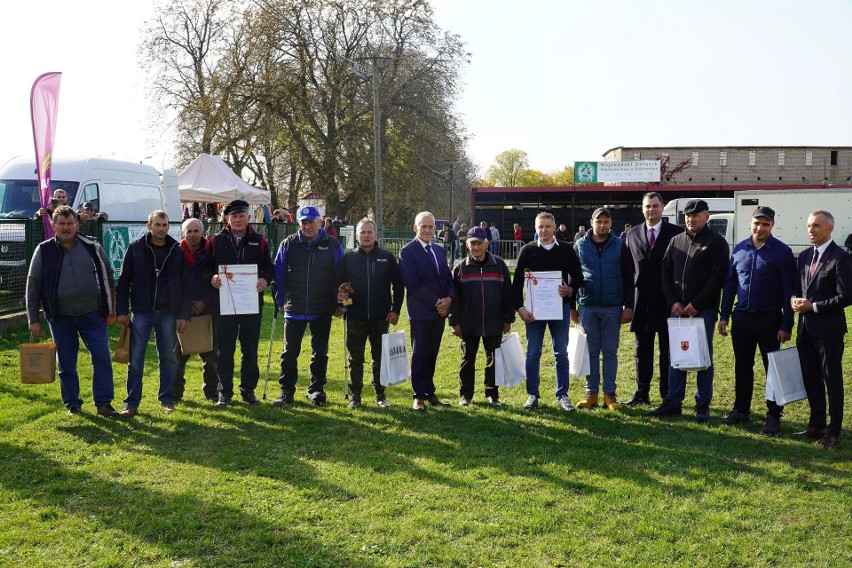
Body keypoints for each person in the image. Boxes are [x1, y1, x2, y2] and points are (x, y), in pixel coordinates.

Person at [25, 206, 119, 417]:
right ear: (53, 225)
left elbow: (110, 276)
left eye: (70, 224)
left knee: (102, 357)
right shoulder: (43, 250)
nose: (66, 228)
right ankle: (72, 404)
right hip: (60, 317)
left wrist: (111, 308)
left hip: (93, 315)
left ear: (77, 224)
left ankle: (104, 403)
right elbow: (33, 284)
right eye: (61, 224)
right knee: (66, 363)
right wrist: (33, 319)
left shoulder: (92, 246)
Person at [648, 199, 729, 422]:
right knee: (678, 354)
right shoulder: (676, 241)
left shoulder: (717, 243)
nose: (691, 219)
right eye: (687, 215)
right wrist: (672, 302)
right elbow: (665, 273)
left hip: (703, 311)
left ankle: (702, 404)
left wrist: (697, 304)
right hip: (678, 310)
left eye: (696, 215)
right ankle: (673, 402)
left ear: (707, 216)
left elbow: (717, 278)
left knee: (703, 356)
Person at [718, 206, 795, 434]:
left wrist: (786, 324)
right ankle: (741, 410)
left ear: (772, 226)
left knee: (772, 369)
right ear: (750, 224)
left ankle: (773, 415)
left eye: (765, 224)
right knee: (742, 366)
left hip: (770, 320)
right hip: (741, 318)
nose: (760, 228)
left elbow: (788, 291)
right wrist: (724, 316)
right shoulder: (739, 250)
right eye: (756, 223)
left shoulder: (782, 253)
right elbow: (730, 285)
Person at [116, 210, 190, 417]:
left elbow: (186, 285)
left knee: (168, 357)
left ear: (168, 227)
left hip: (168, 312)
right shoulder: (136, 248)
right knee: (136, 358)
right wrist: (121, 310)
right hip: (141, 311)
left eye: (164, 225)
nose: (161, 229)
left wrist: (183, 315)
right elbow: (123, 281)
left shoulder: (177, 250)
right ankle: (131, 403)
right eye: (157, 225)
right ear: (149, 226)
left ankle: (167, 398)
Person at [791, 210, 852, 447]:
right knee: (811, 378)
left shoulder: (841, 258)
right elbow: (798, 287)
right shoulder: (805, 256)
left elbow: (846, 296)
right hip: (805, 329)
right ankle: (816, 425)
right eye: (808, 226)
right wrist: (795, 300)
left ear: (829, 229)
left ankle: (834, 431)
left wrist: (813, 307)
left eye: (816, 226)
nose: (811, 230)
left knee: (832, 379)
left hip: (828, 331)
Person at [272, 205, 344, 406]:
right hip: (293, 308)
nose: (307, 226)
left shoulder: (333, 245)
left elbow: (341, 276)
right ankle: (286, 391)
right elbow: (279, 273)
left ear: (320, 222)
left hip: (322, 307)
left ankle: (317, 390)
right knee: (289, 352)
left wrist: (340, 303)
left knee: (319, 352)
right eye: (303, 222)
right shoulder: (288, 244)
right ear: (299, 223)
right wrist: (279, 300)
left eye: (311, 222)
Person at [512, 211, 584, 411]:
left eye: (547, 226)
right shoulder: (527, 251)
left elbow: (578, 277)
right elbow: (516, 283)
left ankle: (562, 395)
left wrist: (569, 289)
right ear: (535, 229)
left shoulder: (567, 250)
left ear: (554, 228)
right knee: (533, 353)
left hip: (558, 309)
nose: (543, 230)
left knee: (561, 353)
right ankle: (532, 395)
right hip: (533, 312)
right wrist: (520, 308)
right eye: (540, 227)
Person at [207, 199, 275, 406]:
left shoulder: (260, 241)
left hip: (251, 305)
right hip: (224, 305)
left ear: (248, 217)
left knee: (250, 350)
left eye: (242, 216)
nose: (238, 219)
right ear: (227, 218)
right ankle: (225, 392)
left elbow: (269, 268)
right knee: (225, 351)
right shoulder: (215, 241)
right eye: (234, 216)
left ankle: (248, 391)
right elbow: (205, 268)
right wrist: (212, 278)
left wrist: (264, 279)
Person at [623, 192, 684, 406]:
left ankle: (667, 394)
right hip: (641, 302)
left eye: (655, 206)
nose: (651, 210)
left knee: (667, 351)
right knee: (642, 350)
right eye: (648, 206)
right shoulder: (631, 234)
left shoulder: (677, 233)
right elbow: (628, 270)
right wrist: (628, 303)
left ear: (662, 207)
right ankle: (642, 393)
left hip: (668, 301)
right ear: (642, 208)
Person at [571, 208, 635, 410]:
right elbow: (573, 277)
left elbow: (628, 276)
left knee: (609, 352)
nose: (602, 225)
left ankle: (610, 394)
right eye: (599, 221)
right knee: (590, 352)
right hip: (587, 306)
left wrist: (629, 306)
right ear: (591, 222)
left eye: (606, 221)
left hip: (612, 306)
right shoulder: (579, 245)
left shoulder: (620, 245)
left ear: (611, 223)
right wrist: (572, 306)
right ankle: (591, 394)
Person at [338, 218, 404, 408]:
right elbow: (339, 285)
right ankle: (355, 396)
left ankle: (380, 395)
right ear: (357, 236)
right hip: (355, 317)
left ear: (376, 235)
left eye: (369, 232)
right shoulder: (348, 258)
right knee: (355, 358)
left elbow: (398, 286)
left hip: (380, 317)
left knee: (380, 358)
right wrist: (340, 294)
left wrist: (395, 310)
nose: (366, 236)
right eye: (362, 233)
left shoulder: (387, 257)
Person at [449, 227, 515, 407]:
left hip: (494, 321)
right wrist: (455, 322)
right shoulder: (460, 267)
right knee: (467, 360)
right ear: (466, 244)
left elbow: (508, 294)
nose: (476, 247)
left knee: (494, 359)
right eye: (472, 243)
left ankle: (492, 394)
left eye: (480, 243)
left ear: (487, 243)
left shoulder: (499, 265)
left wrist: (508, 318)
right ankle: (465, 395)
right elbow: (454, 299)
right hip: (468, 322)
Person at [399, 211, 455, 410]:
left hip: (439, 313)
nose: (427, 230)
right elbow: (412, 284)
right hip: (421, 312)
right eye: (423, 226)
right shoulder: (407, 251)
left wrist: (448, 299)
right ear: (416, 228)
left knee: (432, 353)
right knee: (420, 353)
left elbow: (448, 278)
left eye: (431, 227)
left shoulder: (439, 250)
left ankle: (430, 392)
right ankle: (418, 396)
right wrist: (437, 302)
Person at [171, 218, 220, 403]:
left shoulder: (213, 252)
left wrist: (205, 302)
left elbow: (219, 282)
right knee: (178, 356)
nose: (192, 235)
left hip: (209, 310)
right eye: (188, 231)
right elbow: (173, 283)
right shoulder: (175, 252)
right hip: (182, 313)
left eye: (195, 231)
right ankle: (175, 394)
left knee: (211, 357)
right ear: (183, 233)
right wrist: (184, 306)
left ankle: (212, 393)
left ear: (202, 232)